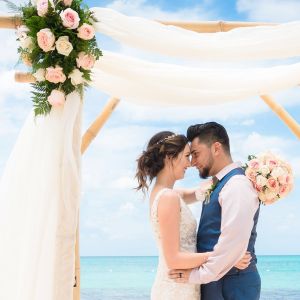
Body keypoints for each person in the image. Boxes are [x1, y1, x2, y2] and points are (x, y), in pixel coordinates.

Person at [135, 130, 251, 300]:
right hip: (177, 288)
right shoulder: (169, 197)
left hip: (181, 284)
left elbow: (196, 192)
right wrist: (228, 257)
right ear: (169, 157)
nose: (189, 164)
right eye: (187, 156)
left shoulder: (163, 193)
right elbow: (174, 259)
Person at [169, 122, 261, 300]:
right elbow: (179, 195)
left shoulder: (237, 185)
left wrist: (193, 276)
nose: (193, 162)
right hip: (216, 282)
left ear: (216, 148)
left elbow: (231, 245)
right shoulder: (218, 183)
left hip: (233, 286)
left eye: (196, 154)